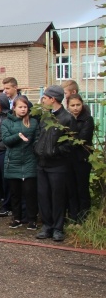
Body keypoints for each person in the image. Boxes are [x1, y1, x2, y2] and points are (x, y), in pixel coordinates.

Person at [33, 85, 73, 242]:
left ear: (53, 99)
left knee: (57, 197)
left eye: (45, 97)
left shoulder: (67, 118)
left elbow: (69, 144)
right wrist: (38, 148)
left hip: (57, 165)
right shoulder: (45, 117)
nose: (43, 100)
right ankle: (47, 225)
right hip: (42, 164)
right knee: (43, 196)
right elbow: (38, 136)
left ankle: (58, 228)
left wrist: (55, 152)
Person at [1, 96, 39, 229]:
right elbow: (5, 140)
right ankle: (16, 218)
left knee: (30, 192)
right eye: (20, 107)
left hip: (29, 161)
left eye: (25, 107)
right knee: (15, 193)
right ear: (14, 108)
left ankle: (32, 219)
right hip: (13, 161)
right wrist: (18, 136)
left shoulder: (33, 122)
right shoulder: (7, 122)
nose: (23, 109)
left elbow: (37, 139)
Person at [67, 94, 94, 224]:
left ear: (82, 104)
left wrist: (67, 143)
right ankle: (73, 216)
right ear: (68, 106)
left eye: (78, 105)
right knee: (71, 188)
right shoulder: (67, 119)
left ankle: (83, 217)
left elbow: (82, 138)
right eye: (72, 105)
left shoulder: (87, 119)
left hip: (82, 158)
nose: (76, 108)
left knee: (82, 188)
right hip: (69, 159)